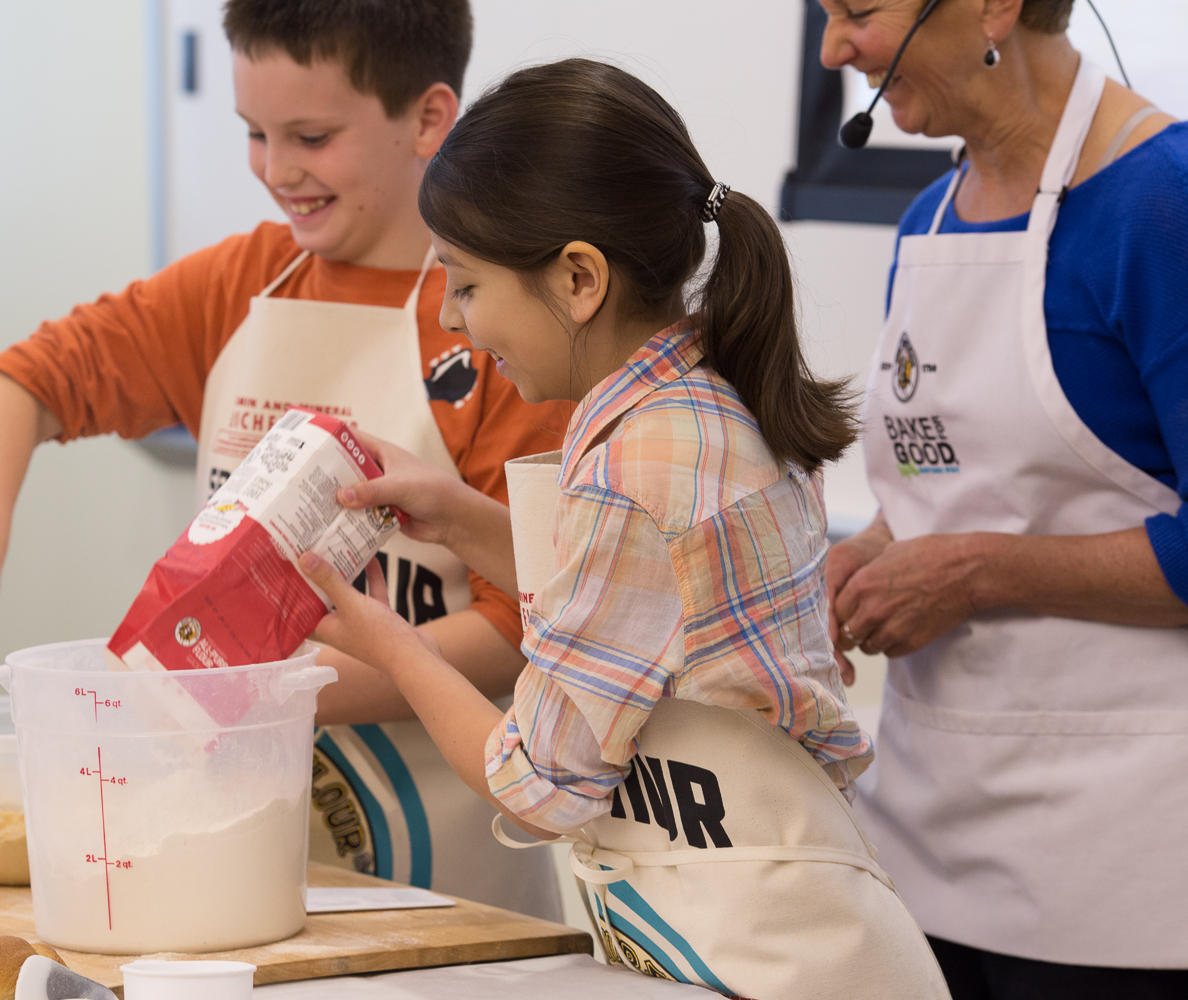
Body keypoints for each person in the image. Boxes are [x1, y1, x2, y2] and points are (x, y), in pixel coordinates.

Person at [0, 0, 571, 920]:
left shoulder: (505, 327)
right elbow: (22, 384)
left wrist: (280, 687)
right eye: (255, 133)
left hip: (443, 875)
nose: (278, 169)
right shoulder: (238, 287)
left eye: (313, 136)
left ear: (428, 118)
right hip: (230, 839)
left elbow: (527, 620)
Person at [297, 58, 950, 999]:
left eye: (468, 285)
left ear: (577, 278)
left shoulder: (631, 470)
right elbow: (652, 607)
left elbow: (536, 784)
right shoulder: (706, 400)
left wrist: (387, 648)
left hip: (761, 955)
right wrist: (462, 520)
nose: (454, 319)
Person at [819, 0, 1188, 995]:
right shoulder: (925, 224)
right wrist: (870, 553)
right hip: (923, 845)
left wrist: (978, 574)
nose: (832, 50)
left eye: (858, 11)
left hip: (1122, 877)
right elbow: (948, 488)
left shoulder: (1163, 204)